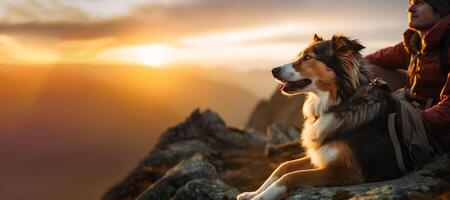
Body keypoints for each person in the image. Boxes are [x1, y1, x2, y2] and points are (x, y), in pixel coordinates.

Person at [366, 0, 450, 150]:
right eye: (410, 3)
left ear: (440, 10)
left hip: (436, 117)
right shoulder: (416, 42)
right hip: (415, 104)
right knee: (368, 69)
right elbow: (377, 58)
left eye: (419, 3)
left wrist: (411, 121)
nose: (410, 9)